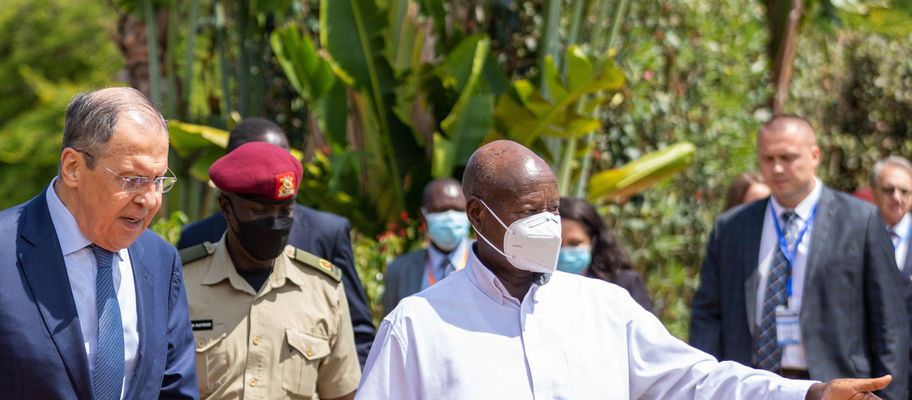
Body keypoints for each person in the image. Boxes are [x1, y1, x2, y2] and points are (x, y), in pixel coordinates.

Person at [357, 139, 895, 399]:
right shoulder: (419, 327)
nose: (547, 224)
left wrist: (808, 393)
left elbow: (699, 378)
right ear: (479, 215)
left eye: (552, 208)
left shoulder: (602, 307)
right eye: (529, 212)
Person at [0, 87, 198, 399]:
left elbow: (174, 392)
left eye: (158, 181)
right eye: (132, 179)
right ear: (73, 168)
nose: (149, 199)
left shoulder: (160, 260)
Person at [690, 115, 909, 398]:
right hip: (753, 386)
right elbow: (708, 314)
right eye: (767, 159)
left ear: (814, 155)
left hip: (834, 388)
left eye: (787, 157)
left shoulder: (859, 221)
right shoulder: (732, 228)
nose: (777, 168)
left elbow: (890, 323)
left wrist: (888, 394)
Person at [177, 117, 375, 365]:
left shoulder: (326, 233)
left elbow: (358, 333)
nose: (274, 169)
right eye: (259, 160)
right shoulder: (197, 239)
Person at [381, 178, 473, 317]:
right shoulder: (400, 270)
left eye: (457, 209)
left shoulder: (489, 261)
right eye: (441, 210)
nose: (450, 217)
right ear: (423, 216)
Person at [558, 196, 653, 311]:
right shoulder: (535, 288)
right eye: (558, 244)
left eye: (575, 243)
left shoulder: (623, 284)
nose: (564, 251)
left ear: (593, 241)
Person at [870, 156, 912, 275]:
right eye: (889, 190)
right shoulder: (858, 236)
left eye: (904, 191)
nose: (897, 198)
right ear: (873, 192)